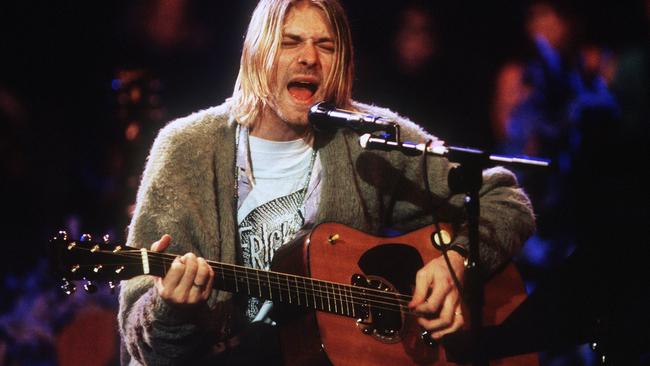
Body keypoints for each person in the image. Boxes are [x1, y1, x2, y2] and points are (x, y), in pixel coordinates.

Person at [118, 0, 535, 364]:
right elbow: (145, 342)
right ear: (257, 53)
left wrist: (456, 263)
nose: (309, 59)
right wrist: (170, 309)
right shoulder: (186, 149)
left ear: (342, 63)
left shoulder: (369, 141)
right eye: (290, 42)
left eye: (326, 46)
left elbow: (505, 198)